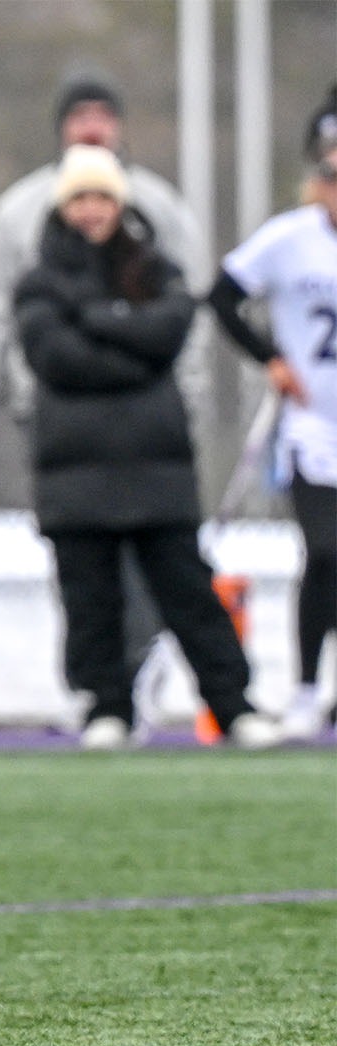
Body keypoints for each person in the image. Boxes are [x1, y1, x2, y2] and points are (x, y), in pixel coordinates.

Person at [0, 70, 210, 729]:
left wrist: (192, 396)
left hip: (149, 417)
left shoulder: (159, 210)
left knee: (158, 564)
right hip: (58, 412)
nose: (91, 126)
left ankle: (140, 667)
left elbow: (188, 317)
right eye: (79, 115)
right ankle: (102, 692)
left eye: (103, 113)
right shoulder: (20, 212)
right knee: (86, 564)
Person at [13, 146, 283, 751]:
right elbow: (55, 358)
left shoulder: (154, 269)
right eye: (80, 198)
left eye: (102, 197)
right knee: (91, 594)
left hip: (155, 463)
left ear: (120, 203)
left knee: (186, 588)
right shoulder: (38, 280)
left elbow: (169, 330)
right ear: (63, 207)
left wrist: (93, 317)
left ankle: (232, 705)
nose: (92, 210)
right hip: (74, 466)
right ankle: (105, 705)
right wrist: (128, 343)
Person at [205, 84, 337, 745]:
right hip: (315, 428)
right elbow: (222, 296)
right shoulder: (291, 240)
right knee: (325, 551)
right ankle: (310, 687)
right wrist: (270, 358)